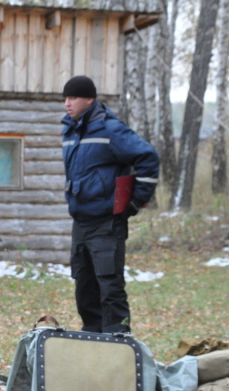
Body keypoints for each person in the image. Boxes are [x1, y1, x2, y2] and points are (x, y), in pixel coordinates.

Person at [61, 75, 159, 334]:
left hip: (107, 223)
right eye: (66, 98)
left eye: (73, 98)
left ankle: (118, 342)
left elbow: (148, 157)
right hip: (81, 223)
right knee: (84, 287)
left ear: (89, 99)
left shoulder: (110, 129)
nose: (67, 104)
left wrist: (135, 202)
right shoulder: (69, 131)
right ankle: (92, 341)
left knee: (109, 287)